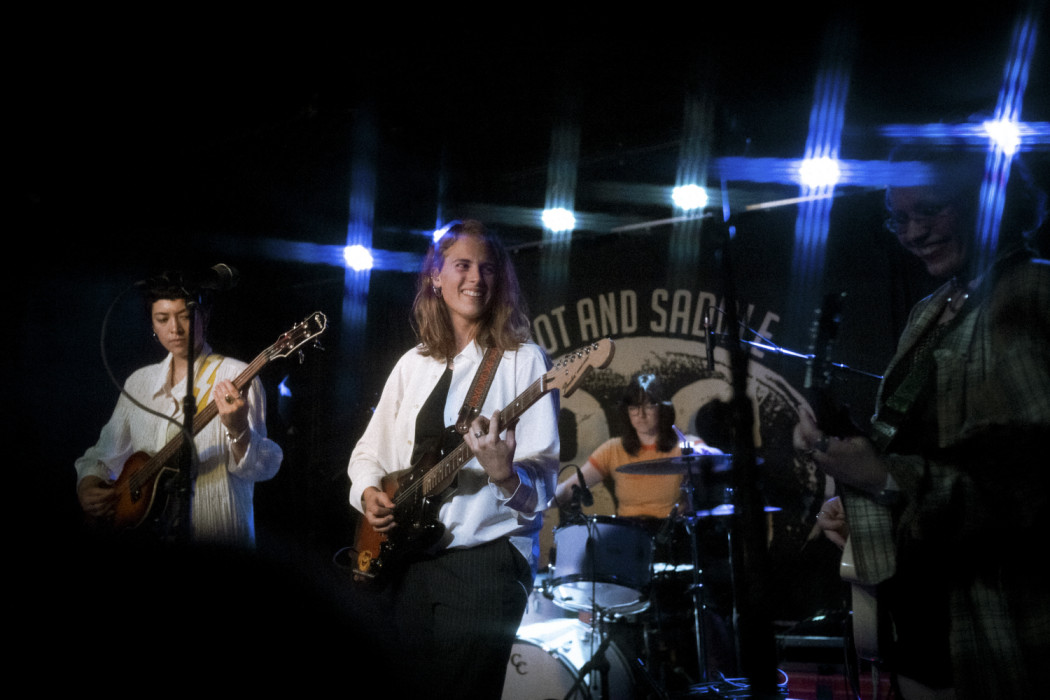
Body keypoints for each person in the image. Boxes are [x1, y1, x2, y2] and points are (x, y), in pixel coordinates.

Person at [796, 147, 1049, 698]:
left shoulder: (1031, 291)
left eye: (930, 210)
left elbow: (1030, 480)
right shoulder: (931, 310)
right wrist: (866, 498)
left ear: (989, 201)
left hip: (1005, 623)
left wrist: (884, 477)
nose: (912, 233)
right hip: (924, 625)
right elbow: (924, 455)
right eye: (899, 218)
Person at [347, 220, 559, 699]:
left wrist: (506, 476)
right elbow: (367, 453)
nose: (476, 278)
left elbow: (541, 490)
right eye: (463, 265)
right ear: (435, 276)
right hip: (407, 564)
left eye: (488, 268)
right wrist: (368, 492)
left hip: (484, 565)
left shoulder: (524, 360)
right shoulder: (413, 363)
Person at [75, 270, 284, 548]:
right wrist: (88, 483)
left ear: (204, 317)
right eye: (162, 319)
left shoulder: (236, 376)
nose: (174, 329)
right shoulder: (138, 382)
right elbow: (103, 454)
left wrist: (239, 429)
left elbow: (262, 469)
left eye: (184, 316)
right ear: (152, 324)